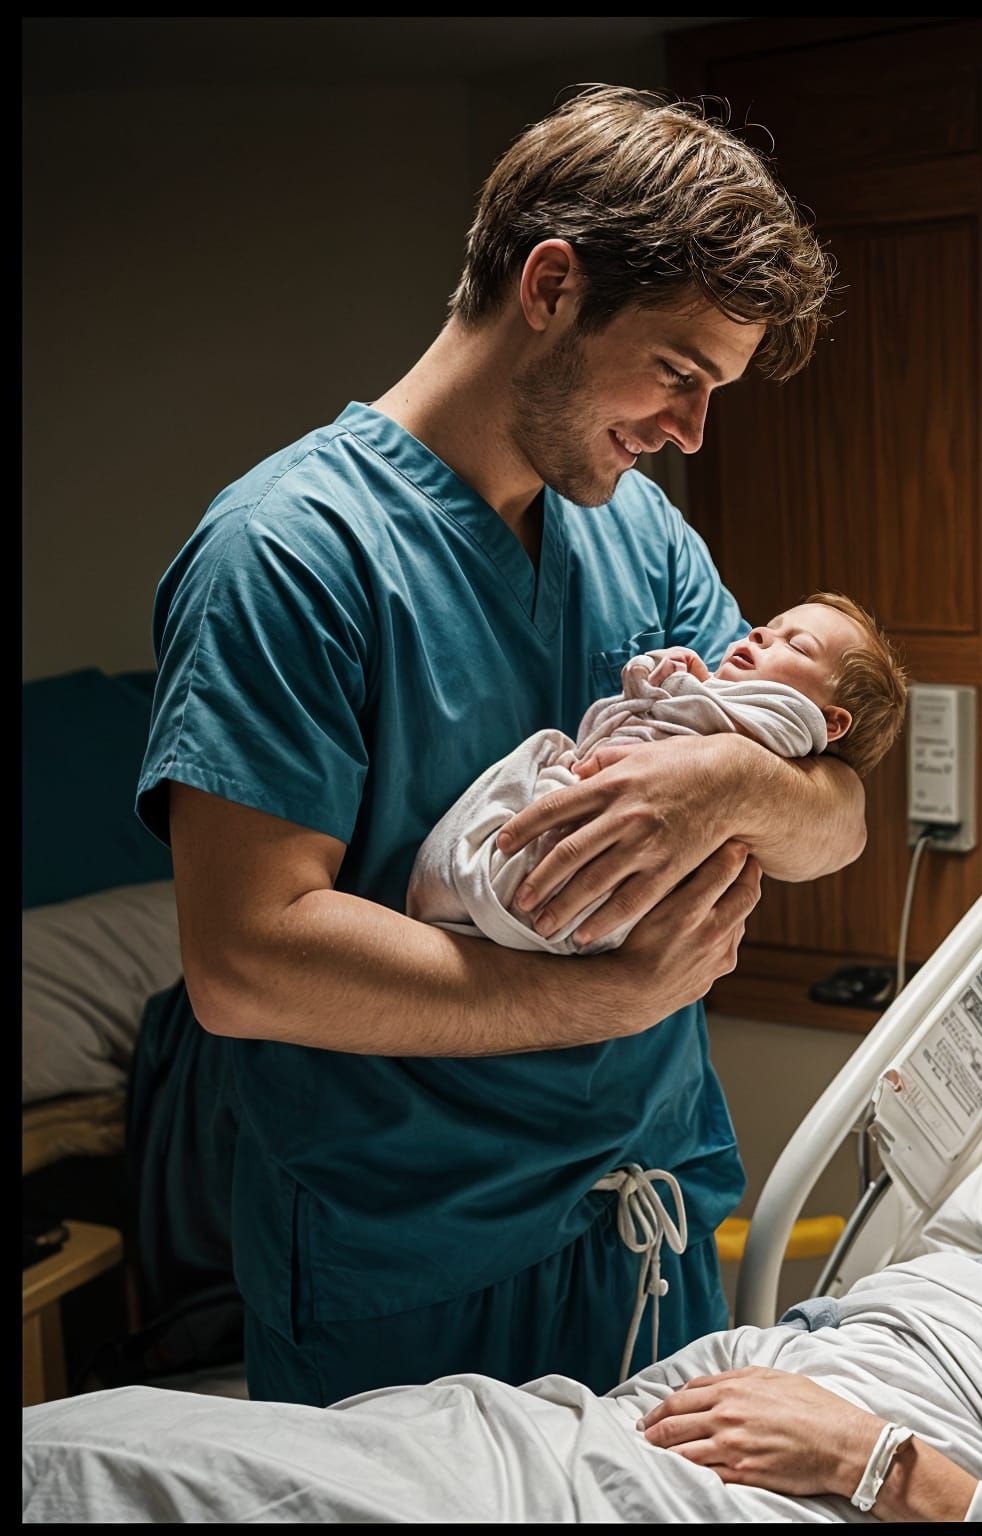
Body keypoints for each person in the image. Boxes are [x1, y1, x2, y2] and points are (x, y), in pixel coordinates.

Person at [130, 85, 855, 1408]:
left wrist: (738, 779)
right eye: (679, 373)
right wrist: (608, 999)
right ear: (552, 284)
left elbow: (834, 817)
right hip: (416, 1256)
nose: (691, 432)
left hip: (644, 1209)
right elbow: (245, 960)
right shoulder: (290, 554)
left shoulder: (637, 534)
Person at [23, 1005, 982, 1522]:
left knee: (128, 1476)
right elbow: (828, 1342)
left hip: (831, 1495)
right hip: (630, 1445)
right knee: (117, 1453)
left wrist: (884, 1465)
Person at [407, 593, 908, 957]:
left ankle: (460, 880)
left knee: (545, 758)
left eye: (796, 647)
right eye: (766, 627)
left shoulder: (784, 719)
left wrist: (672, 684)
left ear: (831, 723)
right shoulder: (739, 696)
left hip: (610, 936)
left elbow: (843, 816)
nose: (758, 635)